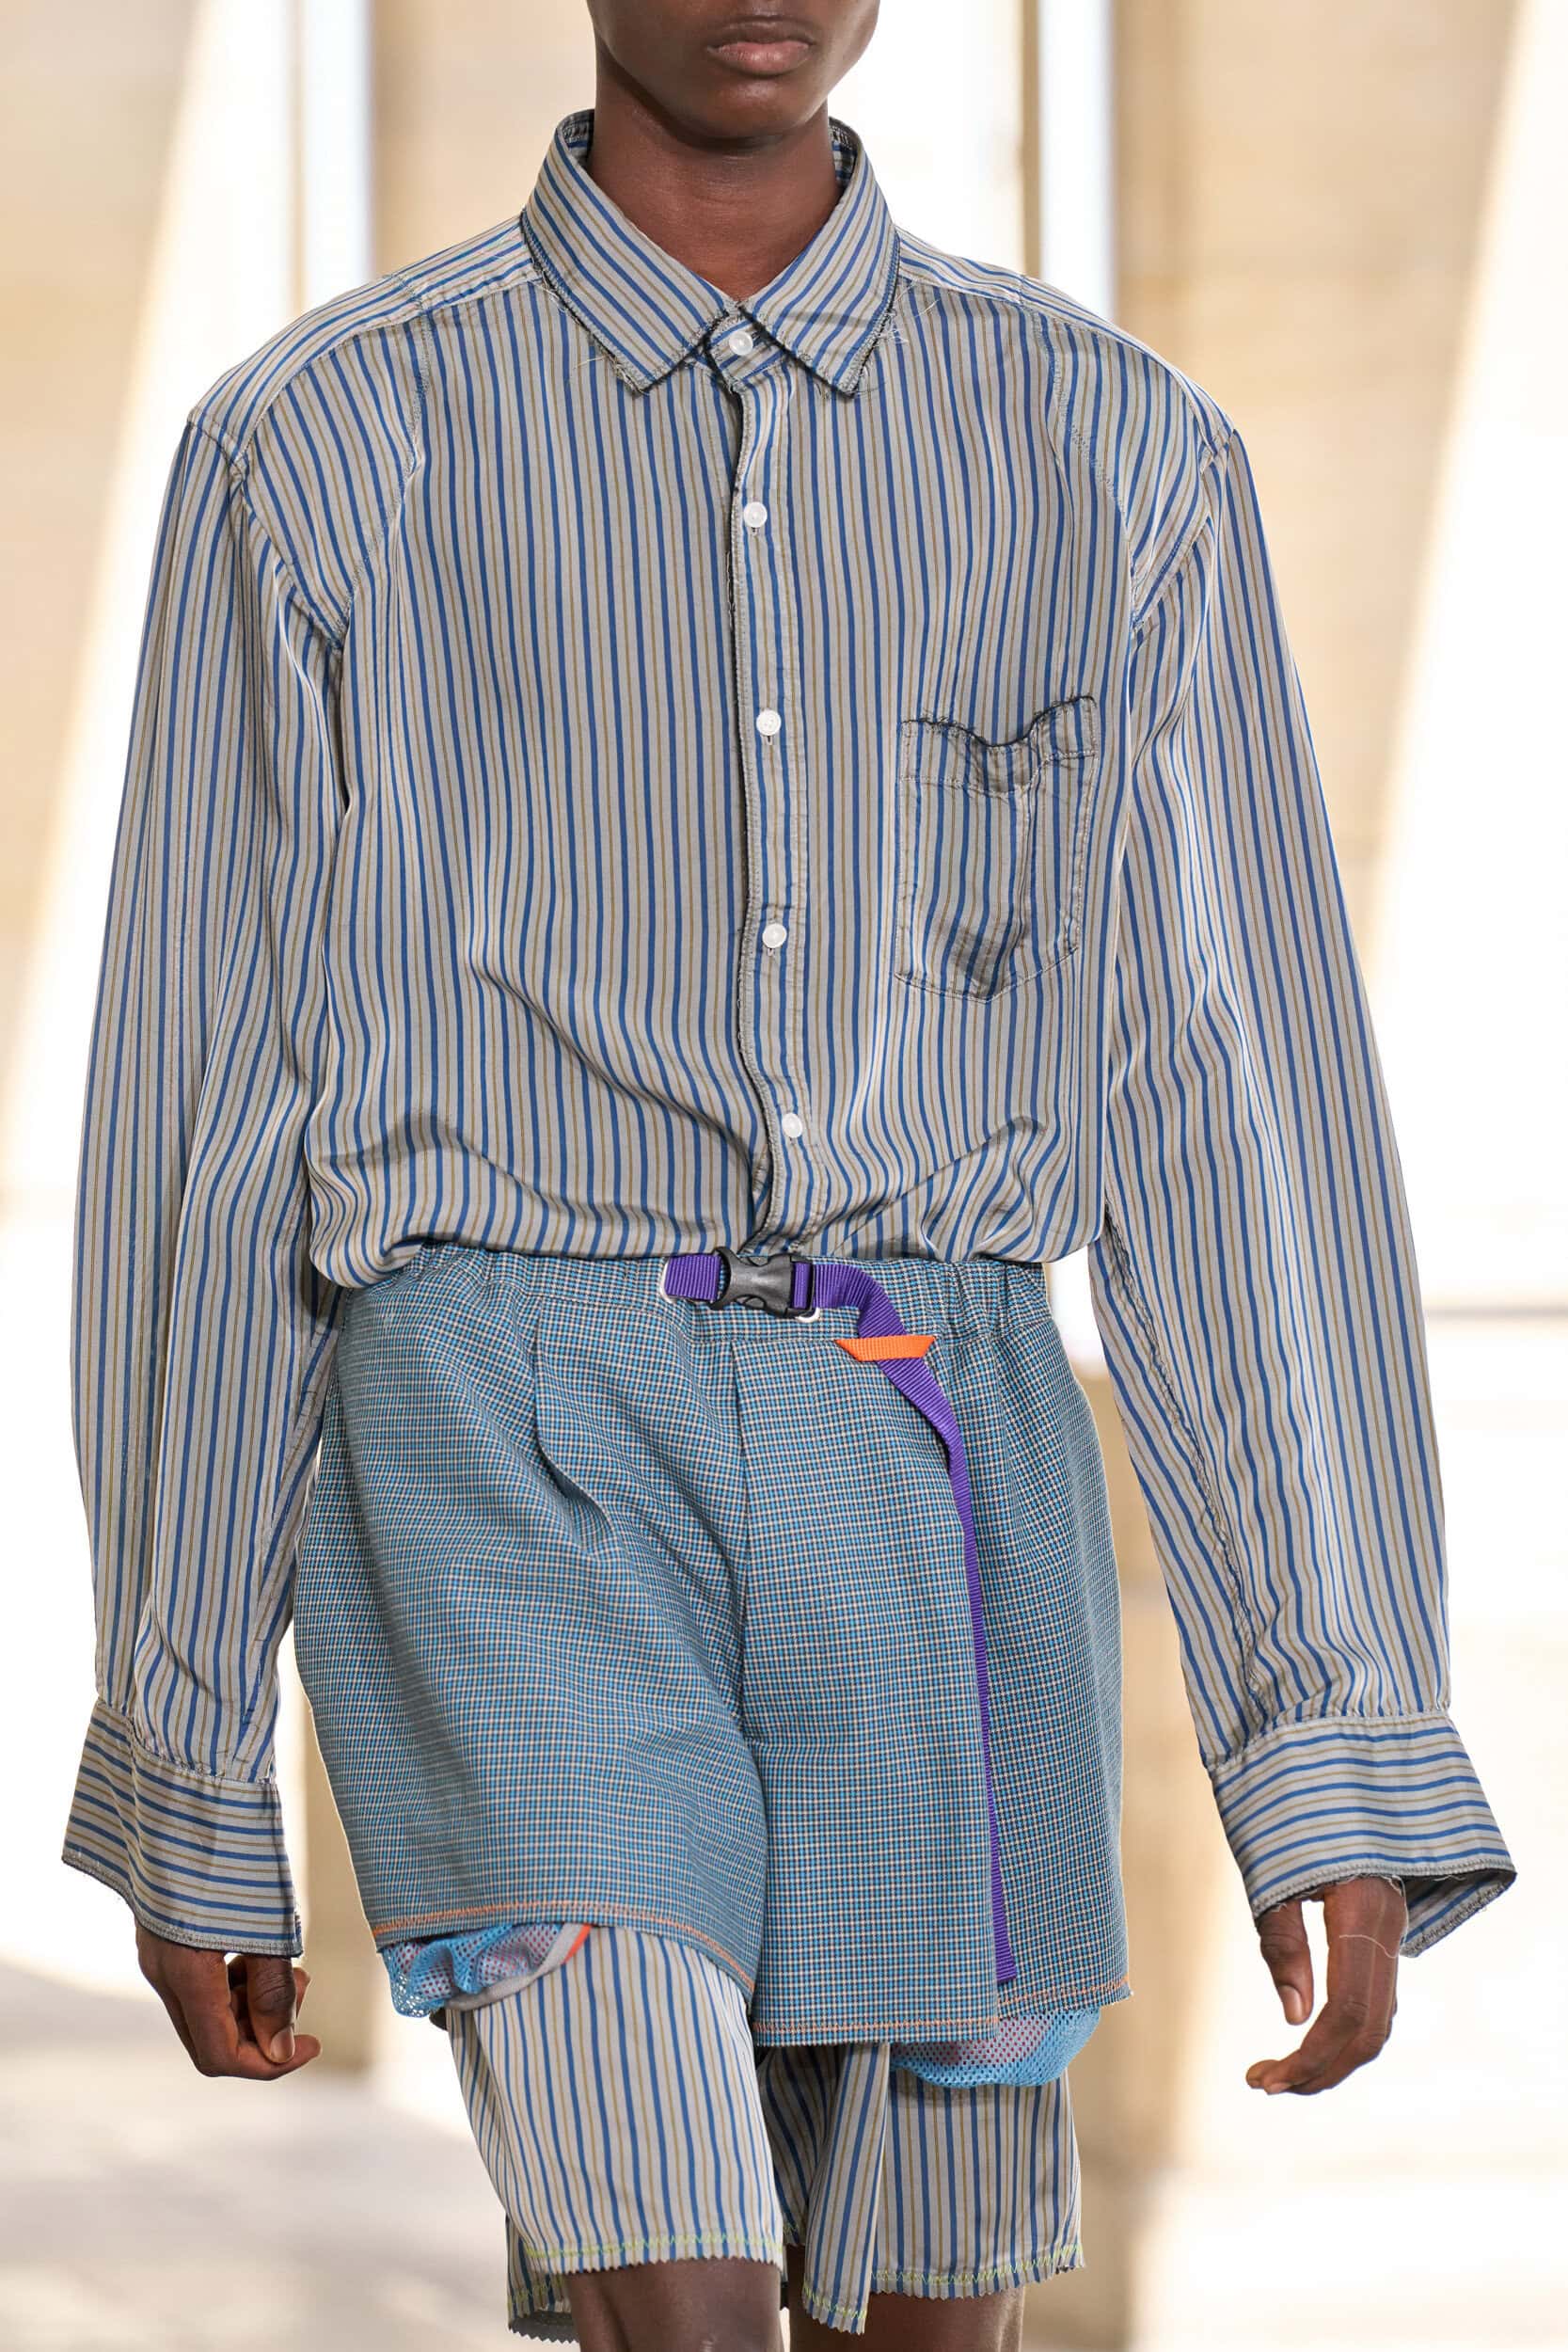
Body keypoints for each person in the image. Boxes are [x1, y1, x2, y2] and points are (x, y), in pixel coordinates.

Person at [60, 3, 1516, 2346]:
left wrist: (1326, 1731)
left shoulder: (1115, 448)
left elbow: (1232, 1105)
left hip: (939, 1444)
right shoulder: (320, 441)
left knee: (917, 2313)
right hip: (502, 1445)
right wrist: (187, 1734)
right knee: (682, 2276)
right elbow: (209, 1109)